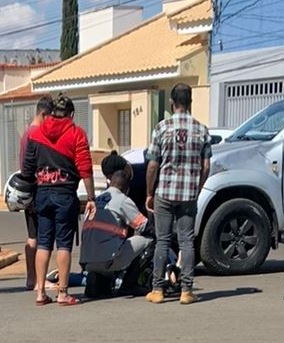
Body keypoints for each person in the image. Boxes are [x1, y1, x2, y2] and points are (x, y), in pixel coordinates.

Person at [22, 94, 96, 306]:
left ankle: (40, 292)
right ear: (71, 114)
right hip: (65, 195)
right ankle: (63, 293)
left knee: (44, 242)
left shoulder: (36, 135)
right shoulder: (76, 134)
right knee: (64, 244)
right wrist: (91, 197)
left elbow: (27, 169)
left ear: (52, 113)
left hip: (42, 194)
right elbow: (85, 169)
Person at [145, 83, 212, 305]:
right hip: (188, 194)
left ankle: (157, 290)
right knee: (186, 242)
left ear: (172, 103)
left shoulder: (161, 128)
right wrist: (198, 187)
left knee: (162, 240)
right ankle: (186, 290)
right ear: (190, 102)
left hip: (165, 191)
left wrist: (149, 192)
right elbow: (206, 166)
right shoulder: (202, 130)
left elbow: (153, 165)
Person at [80, 170, 154, 298]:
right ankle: (129, 284)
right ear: (127, 188)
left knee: (110, 246)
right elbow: (144, 226)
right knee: (149, 240)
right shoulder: (122, 199)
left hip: (87, 262)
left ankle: (98, 281)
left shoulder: (97, 199)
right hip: (108, 261)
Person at [19, 95, 53, 290]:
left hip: (31, 190)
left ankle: (33, 278)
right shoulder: (35, 133)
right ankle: (35, 279)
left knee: (34, 235)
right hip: (35, 191)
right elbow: (29, 167)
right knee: (37, 236)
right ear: (43, 114)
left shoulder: (27, 133)